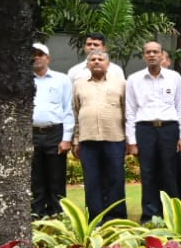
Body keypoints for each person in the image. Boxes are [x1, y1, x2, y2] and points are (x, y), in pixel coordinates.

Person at [126, 41, 181, 223]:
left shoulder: (174, 78)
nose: (152, 55)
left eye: (156, 52)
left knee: (170, 172)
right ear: (144, 56)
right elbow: (130, 110)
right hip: (145, 129)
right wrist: (132, 140)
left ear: (162, 55)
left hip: (169, 128)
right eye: (148, 52)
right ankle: (150, 215)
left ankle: (173, 214)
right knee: (148, 172)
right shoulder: (134, 79)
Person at [72, 49, 128, 220]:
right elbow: (75, 111)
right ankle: (95, 217)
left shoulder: (120, 83)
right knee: (92, 181)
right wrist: (75, 139)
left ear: (108, 64)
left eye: (100, 59)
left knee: (115, 179)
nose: (96, 62)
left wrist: (129, 138)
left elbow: (127, 110)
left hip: (115, 138)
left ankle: (116, 217)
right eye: (93, 59)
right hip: (88, 140)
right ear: (88, 64)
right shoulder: (79, 84)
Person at [29, 43, 73, 219]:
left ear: (48, 58)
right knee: (35, 176)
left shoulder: (61, 79)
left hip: (55, 132)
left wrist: (66, 138)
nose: (37, 57)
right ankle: (37, 212)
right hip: (31, 133)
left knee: (56, 176)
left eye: (41, 54)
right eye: (33, 54)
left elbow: (67, 109)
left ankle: (57, 212)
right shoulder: (23, 79)